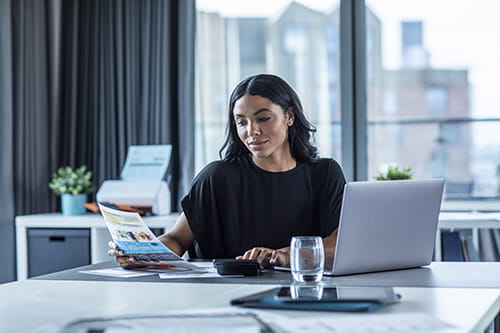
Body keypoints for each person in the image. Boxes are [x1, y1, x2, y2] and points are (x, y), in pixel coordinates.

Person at [109, 74, 346, 269]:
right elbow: (176, 239)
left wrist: (283, 255)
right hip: (223, 297)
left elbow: (339, 243)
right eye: (241, 122)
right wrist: (142, 253)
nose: (252, 131)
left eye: (263, 118)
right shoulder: (216, 177)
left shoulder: (324, 174)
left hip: (303, 294)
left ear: (290, 116)